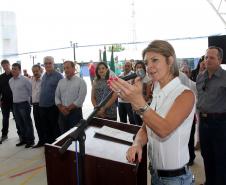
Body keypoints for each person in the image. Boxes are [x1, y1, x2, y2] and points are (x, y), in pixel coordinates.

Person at [108, 40, 195, 185]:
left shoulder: (185, 94)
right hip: (154, 174)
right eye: (147, 62)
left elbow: (164, 129)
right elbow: (146, 127)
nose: (149, 67)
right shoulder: (157, 90)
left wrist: (137, 101)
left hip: (175, 179)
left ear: (170, 61)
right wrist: (137, 143)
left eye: (155, 60)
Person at [196, 46, 226, 185]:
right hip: (203, 121)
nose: (207, 60)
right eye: (206, 57)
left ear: (220, 60)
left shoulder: (224, 77)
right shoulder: (200, 77)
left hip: (219, 122)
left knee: (220, 156)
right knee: (206, 155)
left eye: (212, 57)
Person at [55, 61, 87, 134]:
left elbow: (80, 99)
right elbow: (57, 97)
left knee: (77, 135)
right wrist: (61, 108)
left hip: (75, 113)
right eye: (64, 68)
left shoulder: (81, 82)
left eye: (68, 67)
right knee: (64, 135)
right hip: (62, 113)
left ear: (73, 68)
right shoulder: (61, 82)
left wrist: (68, 108)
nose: (66, 70)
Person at [9, 63, 35, 148]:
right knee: (19, 123)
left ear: (19, 70)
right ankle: (23, 140)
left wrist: (28, 101)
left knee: (27, 123)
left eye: (15, 69)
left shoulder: (25, 79)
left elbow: (30, 91)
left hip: (24, 104)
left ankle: (30, 141)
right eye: (12, 68)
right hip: (15, 105)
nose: (13, 70)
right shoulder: (10, 81)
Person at [39, 56, 63, 144]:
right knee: (45, 127)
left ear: (53, 64)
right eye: (46, 63)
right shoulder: (44, 75)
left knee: (55, 128)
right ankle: (49, 146)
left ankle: (56, 146)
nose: (48, 65)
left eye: (50, 63)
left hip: (53, 106)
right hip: (42, 106)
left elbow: (62, 92)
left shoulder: (59, 76)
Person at [133, 60, 152, 125]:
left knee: (144, 125)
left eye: (140, 67)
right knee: (137, 124)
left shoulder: (148, 79)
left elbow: (147, 97)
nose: (139, 69)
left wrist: (137, 101)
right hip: (135, 106)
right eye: (137, 67)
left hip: (145, 106)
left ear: (144, 69)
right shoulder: (134, 79)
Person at [31, 64, 45, 148]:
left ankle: (47, 141)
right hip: (35, 105)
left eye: (36, 71)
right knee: (37, 124)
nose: (35, 73)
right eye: (33, 71)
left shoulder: (44, 80)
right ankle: (41, 141)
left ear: (40, 70)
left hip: (42, 105)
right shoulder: (32, 80)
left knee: (44, 124)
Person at [0, 59, 13, 144]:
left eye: (6, 65)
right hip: (4, 100)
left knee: (18, 118)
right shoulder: (1, 77)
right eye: (3, 65)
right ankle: (4, 135)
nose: (5, 67)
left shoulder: (14, 74)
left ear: (9, 64)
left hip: (15, 100)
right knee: (5, 118)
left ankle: (21, 135)